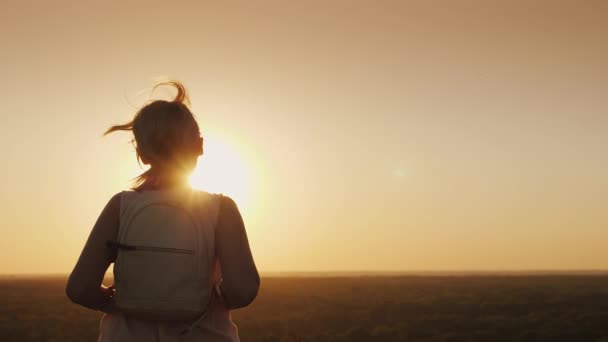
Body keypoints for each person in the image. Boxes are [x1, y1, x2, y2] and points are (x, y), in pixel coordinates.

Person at [66, 81, 259, 342]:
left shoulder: (120, 206)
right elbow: (243, 290)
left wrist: (119, 303)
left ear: (141, 153)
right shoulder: (221, 210)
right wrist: (209, 300)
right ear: (199, 145)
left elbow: (80, 288)